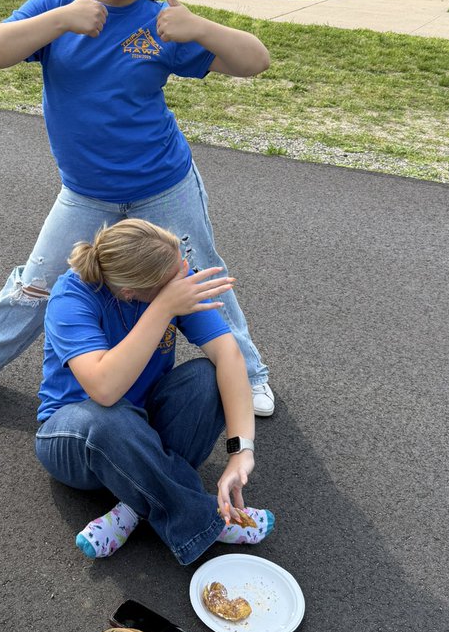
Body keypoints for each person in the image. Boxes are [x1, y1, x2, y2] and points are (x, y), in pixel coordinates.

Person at [0, 0, 275, 419]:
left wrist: (199, 28)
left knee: (198, 277)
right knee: (35, 285)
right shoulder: (58, 6)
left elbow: (256, 61)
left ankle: (252, 374)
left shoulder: (163, 22)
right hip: (85, 191)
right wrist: (64, 18)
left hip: (163, 184)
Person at [35, 219, 274, 564]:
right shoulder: (72, 295)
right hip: (77, 439)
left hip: (142, 437)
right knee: (109, 418)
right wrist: (163, 308)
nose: (184, 275)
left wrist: (241, 451)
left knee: (207, 379)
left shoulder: (169, 280)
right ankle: (204, 518)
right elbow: (104, 390)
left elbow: (229, 356)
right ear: (133, 291)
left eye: (183, 265)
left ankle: (132, 507)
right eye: (175, 276)